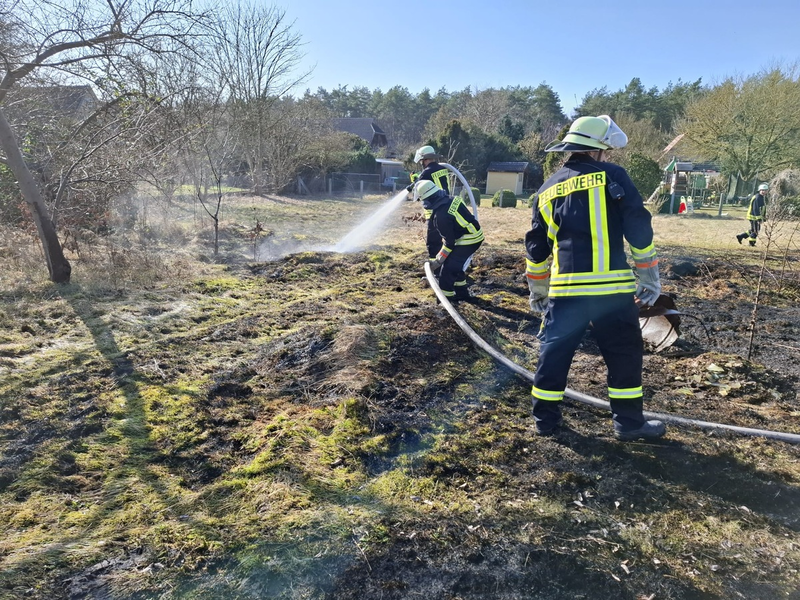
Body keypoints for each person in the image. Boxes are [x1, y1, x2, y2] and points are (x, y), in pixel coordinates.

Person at [524, 115, 666, 441]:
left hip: (566, 293)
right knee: (623, 355)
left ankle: (545, 422)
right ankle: (628, 424)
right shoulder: (613, 176)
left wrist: (539, 289)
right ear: (597, 149)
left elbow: (536, 247)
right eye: (606, 151)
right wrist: (649, 276)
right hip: (612, 293)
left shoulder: (547, 189)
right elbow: (637, 226)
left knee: (553, 356)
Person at [414, 179, 483, 302]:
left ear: (428, 199)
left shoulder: (441, 216)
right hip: (474, 234)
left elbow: (449, 243)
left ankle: (445, 300)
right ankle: (462, 293)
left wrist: (438, 261)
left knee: (447, 270)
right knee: (455, 265)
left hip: (468, 240)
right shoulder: (451, 199)